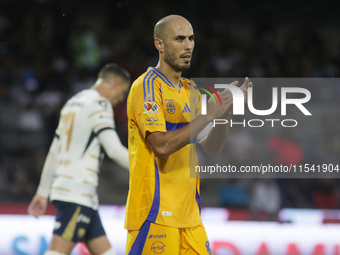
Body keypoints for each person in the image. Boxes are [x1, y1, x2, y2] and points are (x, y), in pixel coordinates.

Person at [125, 15, 252, 254]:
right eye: (179, 39)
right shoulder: (146, 87)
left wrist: (225, 112)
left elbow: (212, 148)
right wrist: (210, 113)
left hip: (191, 219)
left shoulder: (192, 91)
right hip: (156, 215)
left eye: (191, 38)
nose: (188, 45)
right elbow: (161, 146)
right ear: (159, 44)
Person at [28, 63, 131, 255]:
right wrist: (151, 168)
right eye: (123, 91)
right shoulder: (100, 104)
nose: (121, 99)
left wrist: (43, 192)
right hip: (77, 193)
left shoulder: (73, 102)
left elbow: (54, 151)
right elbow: (114, 150)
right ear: (115, 83)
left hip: (77, 193)